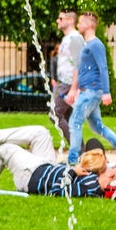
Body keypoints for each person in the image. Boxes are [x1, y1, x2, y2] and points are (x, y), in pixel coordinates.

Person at [70, 13, 116, 159]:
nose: (78, 25)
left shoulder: (96, 44)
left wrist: (106, 92)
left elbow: (103, 67)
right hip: (88, 91)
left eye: (80, 23)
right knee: (98, 127)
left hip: (91, 92)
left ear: (88, 25)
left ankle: (73, 159)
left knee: (74, 123)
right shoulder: (88, 44)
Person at [51, 10, 81, 143]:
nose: (58, 21)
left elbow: (78, 64)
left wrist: (74, 88)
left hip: (68, 84)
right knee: (68, 119)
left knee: (55, 115)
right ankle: (81, 151)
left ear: (70, 20)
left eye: (61, 18)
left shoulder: (75, 38)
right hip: (64, 83)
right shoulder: (67, 38)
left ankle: (77, 149)